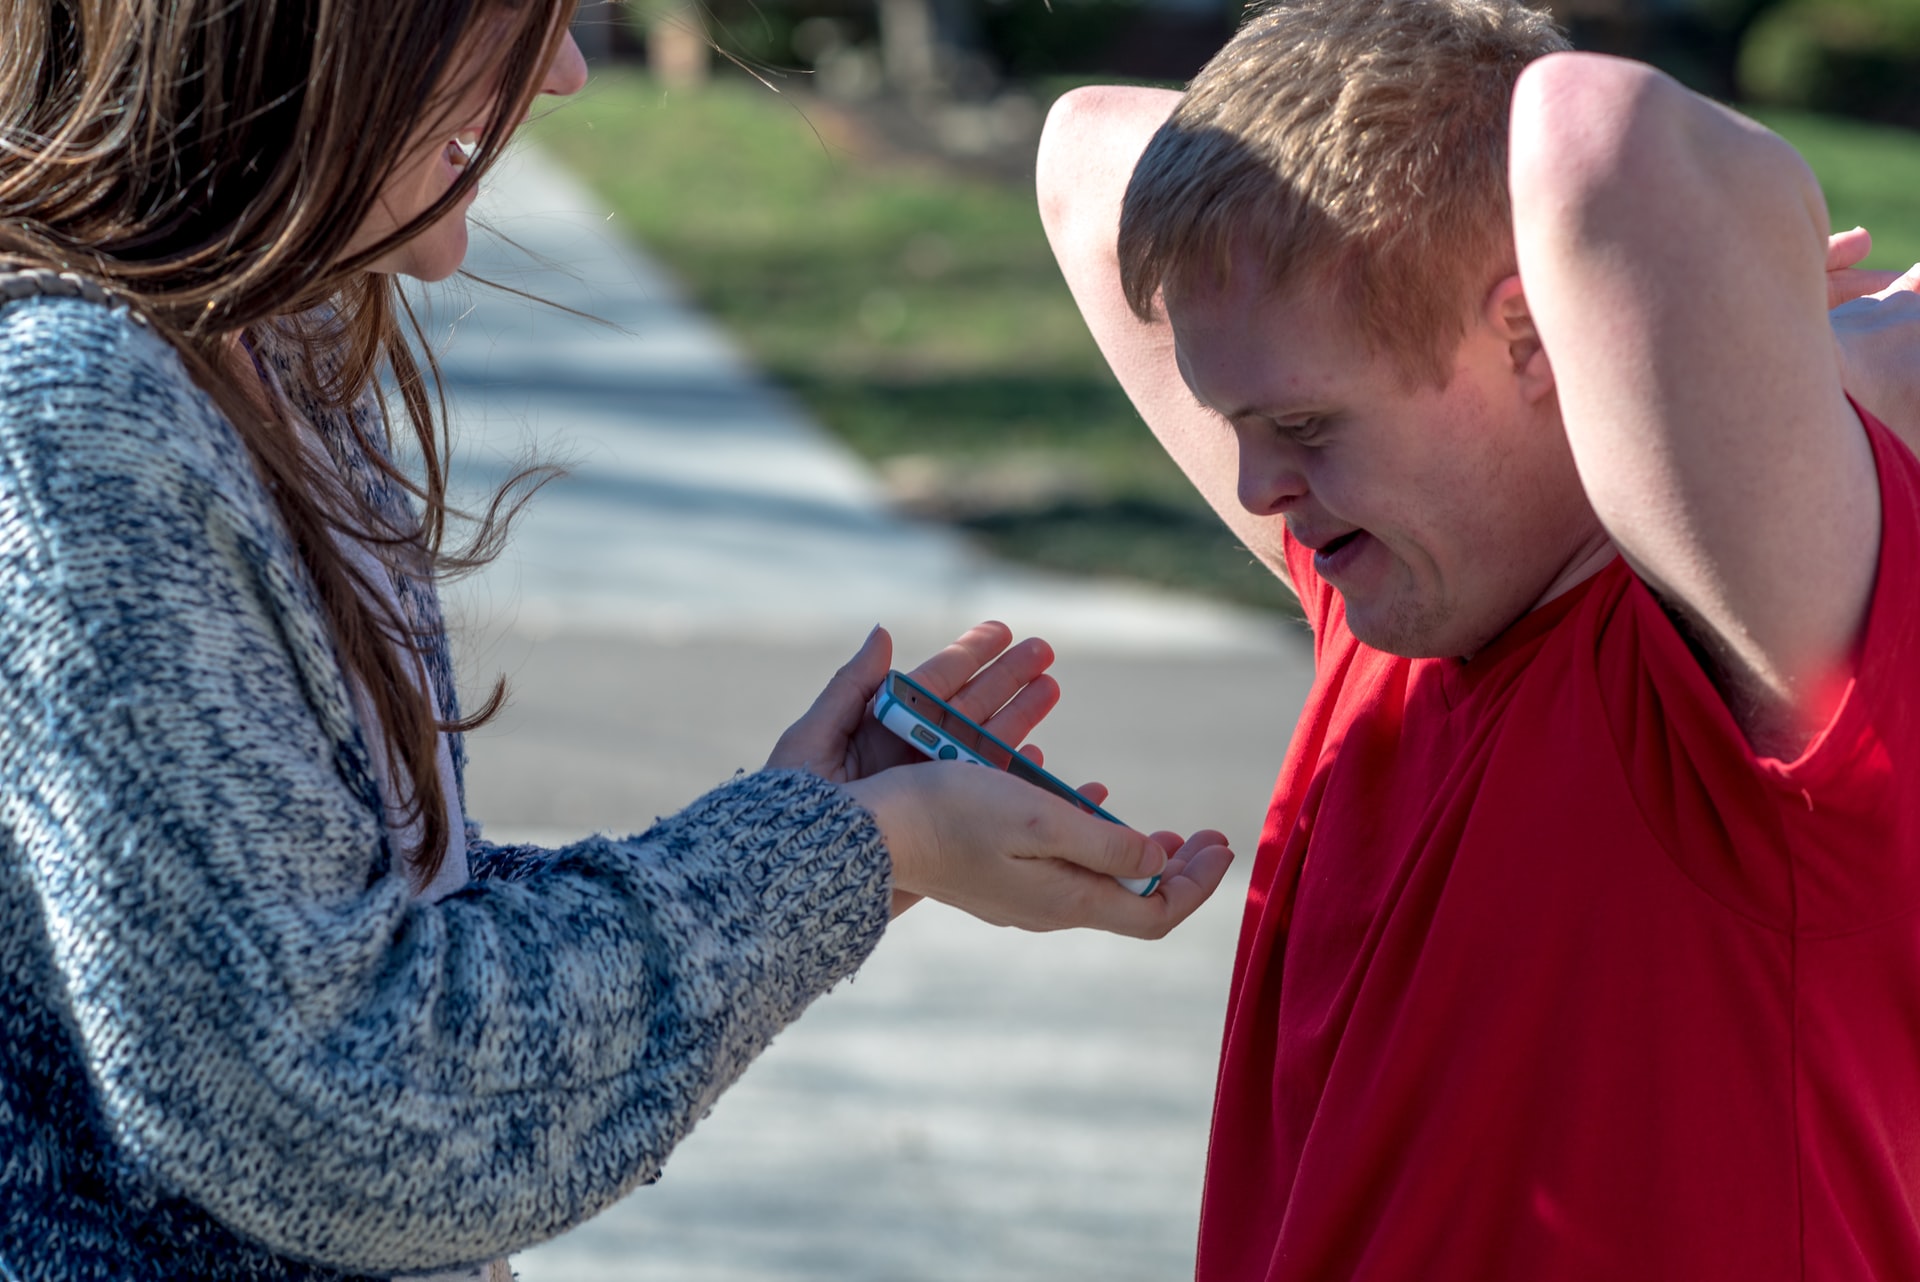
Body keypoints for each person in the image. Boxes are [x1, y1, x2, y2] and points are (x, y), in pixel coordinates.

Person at [0, 3, 1235, 1280]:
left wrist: (805, 824)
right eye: (515, 18)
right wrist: (863, 844)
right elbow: (337, 1103)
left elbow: (354, 928)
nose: (571, 71)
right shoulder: (81, 425)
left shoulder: (262, 348)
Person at [1038, 0, 1920, 1276]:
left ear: (1530, 334)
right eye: (1240, 420)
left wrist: (1814, 370)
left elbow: (1599, 134)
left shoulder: (1733, 655)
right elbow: (1083, 150)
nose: (1255, 487)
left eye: (1306, 425)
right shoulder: (1387, 605)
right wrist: (1789, 356)